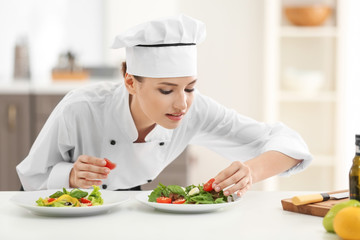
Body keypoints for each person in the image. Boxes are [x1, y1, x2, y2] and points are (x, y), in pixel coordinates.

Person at [17, 15, 312, 197]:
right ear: (131, 83)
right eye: (166, 90)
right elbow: (30, 179)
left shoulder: (195, 110)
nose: (182, 103)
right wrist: (69, 175)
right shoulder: (81, 108)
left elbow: (289, 143)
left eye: (190, 87)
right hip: (64, 205)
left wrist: (251, 171)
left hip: (128, 202)